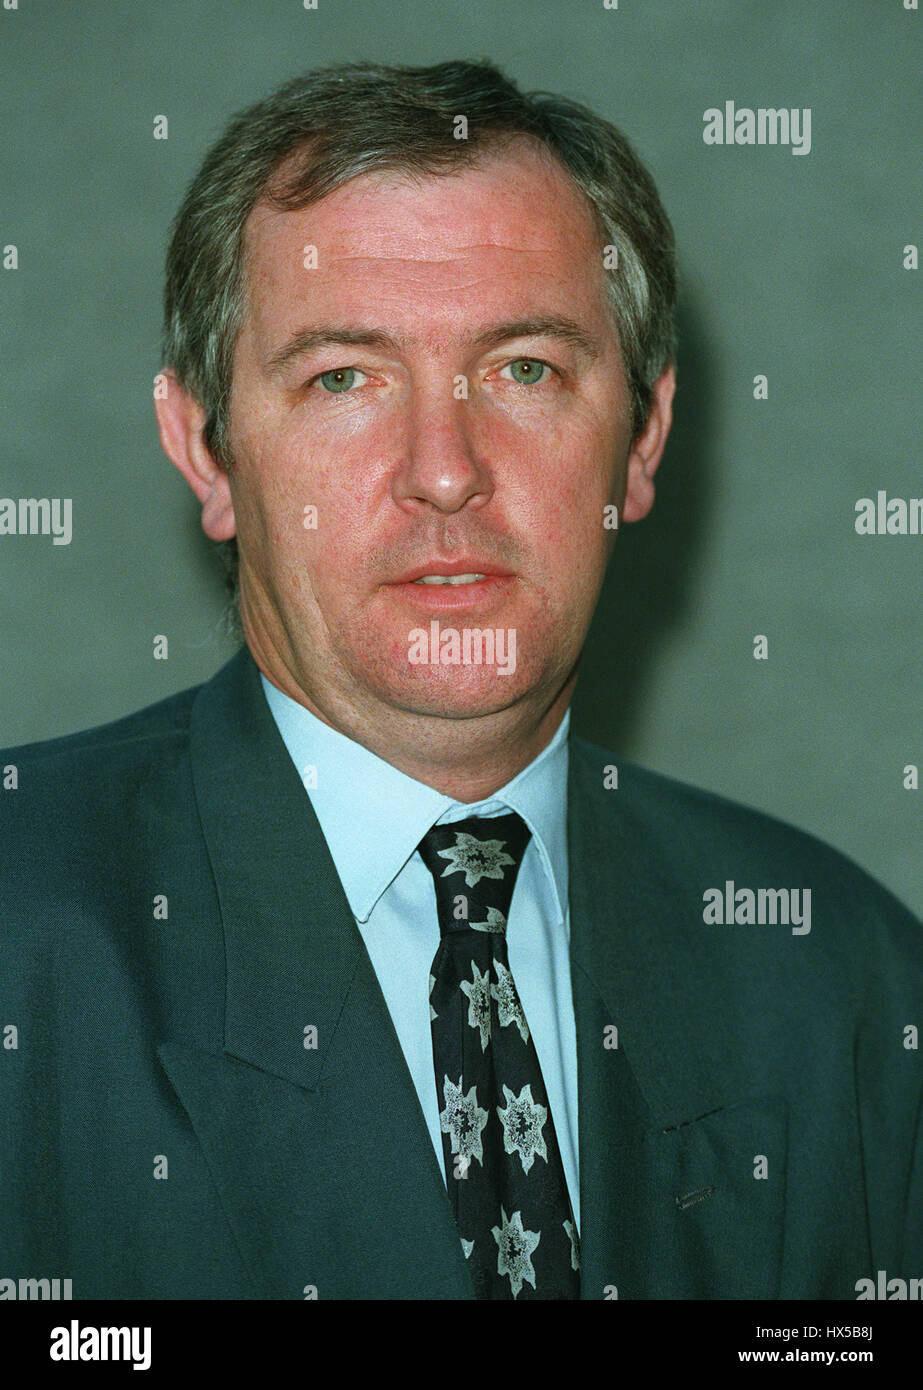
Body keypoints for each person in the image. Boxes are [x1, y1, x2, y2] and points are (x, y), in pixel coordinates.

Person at [1, 60, 920, 1301]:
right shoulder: (26, 938)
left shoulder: (840, 977)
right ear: (205, 451)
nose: (443, 472)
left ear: (641, 438)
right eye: (343, 377)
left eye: (523, 369)